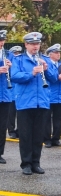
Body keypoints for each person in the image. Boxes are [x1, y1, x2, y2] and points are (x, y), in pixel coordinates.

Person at [10, 32, 58, 175]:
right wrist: (32, 73)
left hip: (42, 102)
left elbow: (55, 78)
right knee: (25, 135)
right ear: (26, 45)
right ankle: (26, 163)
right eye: (32, 44)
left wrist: (46, 69)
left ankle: (36, 163)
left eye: (37, 44)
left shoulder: (44, 59)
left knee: (38, 136)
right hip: (25, 103)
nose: (35, 46)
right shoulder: (18, 60)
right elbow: (14, 76)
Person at [43, 44, 61, 148]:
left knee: (58, 119)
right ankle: (47, 139)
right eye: (56, 53)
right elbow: (51, 77)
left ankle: (56, 139)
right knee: (47, 119)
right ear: (50, 54)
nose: (59, 54)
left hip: (60, 96)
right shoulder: (46, 63)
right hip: (49, 95)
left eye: (59, 52)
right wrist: (58, 77)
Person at [0, 30, 12, 164]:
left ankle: (0, 153)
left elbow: (16, 75)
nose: (1, 43)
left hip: (5, 95)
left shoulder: (7, 54)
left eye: (3, 41)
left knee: (2, 126)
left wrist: (11, 67)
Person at [7, 45, 22, 139]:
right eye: (15, 53)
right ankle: (11, 131)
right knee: (11, 114)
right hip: (11, 93)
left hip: (20, 93)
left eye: (18, 53)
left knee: (21, 114)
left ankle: (19, 130)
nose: (17, 55)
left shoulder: (20, 64)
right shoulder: (8, 64)